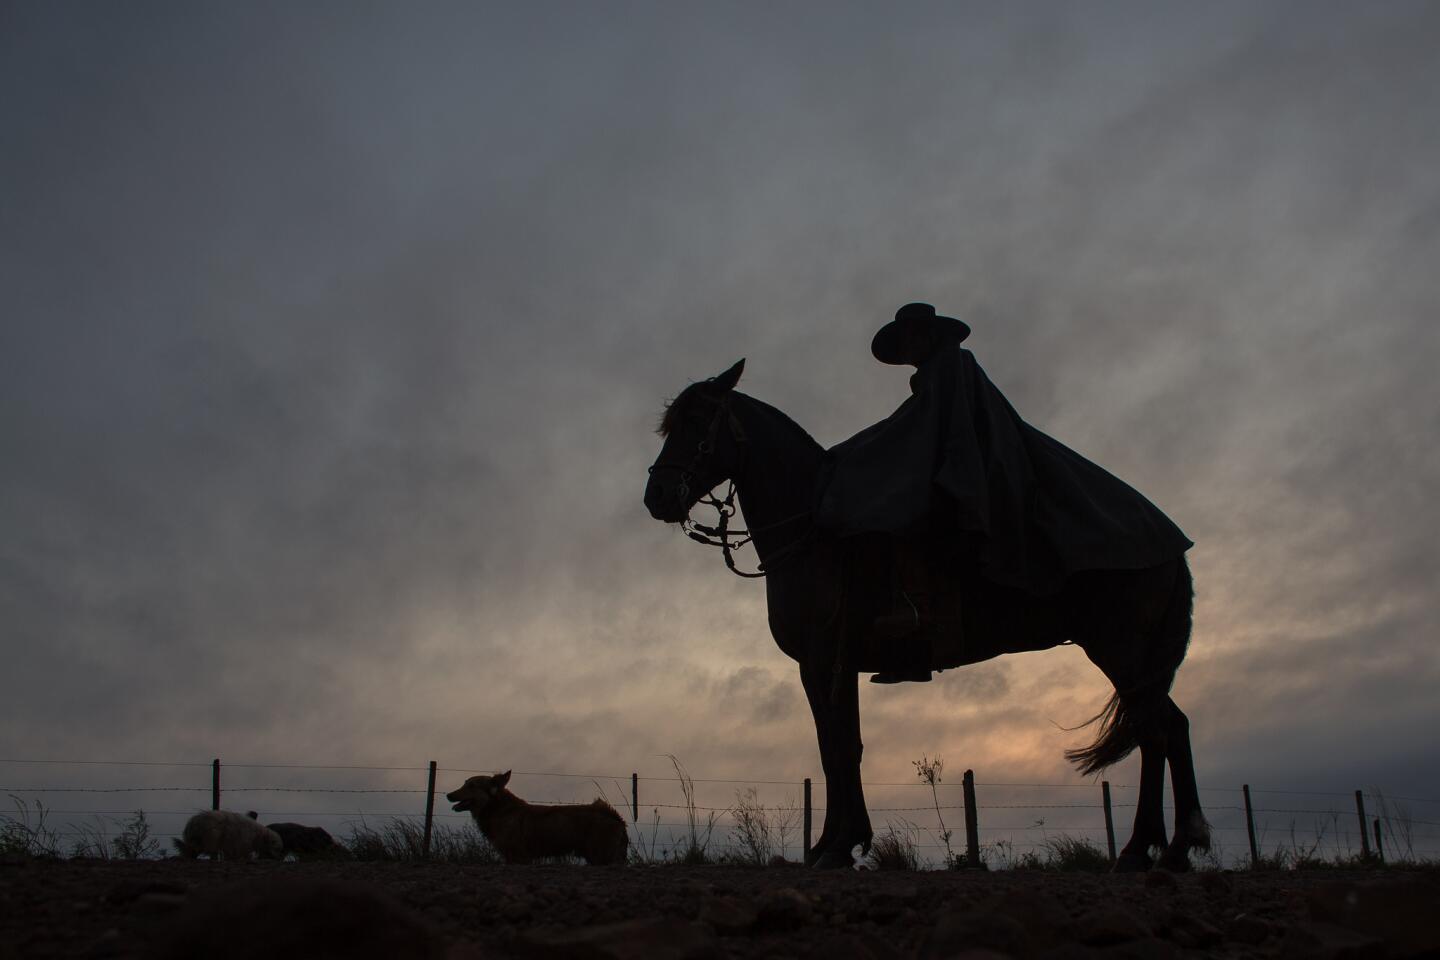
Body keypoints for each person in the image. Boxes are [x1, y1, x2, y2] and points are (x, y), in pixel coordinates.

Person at [817, 302, 1193, 682]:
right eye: (903, 342)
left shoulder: (949, 370)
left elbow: (912, 432)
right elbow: (912, 429)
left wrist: (851, 456)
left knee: (894, 514)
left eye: (911, 338)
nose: (908, 348)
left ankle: (915, 615)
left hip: (975, 472)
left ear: (928, 336)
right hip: (969, 464)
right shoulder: (939, 376)